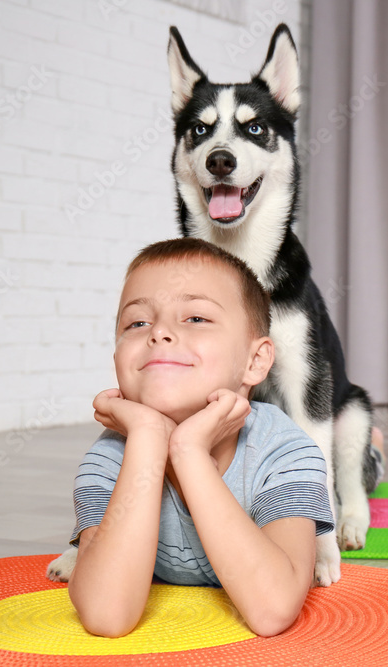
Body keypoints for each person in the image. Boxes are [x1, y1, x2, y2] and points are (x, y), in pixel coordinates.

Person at [66, 237, 334, 639]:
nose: (159, 333)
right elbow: (107, 615)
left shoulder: (286, 451)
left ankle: (373, 448)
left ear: (255, 360)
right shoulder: (109, 458)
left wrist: (188, 451)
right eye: (137, 323)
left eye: (195, 318)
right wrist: (147, 438)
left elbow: (273, 608)